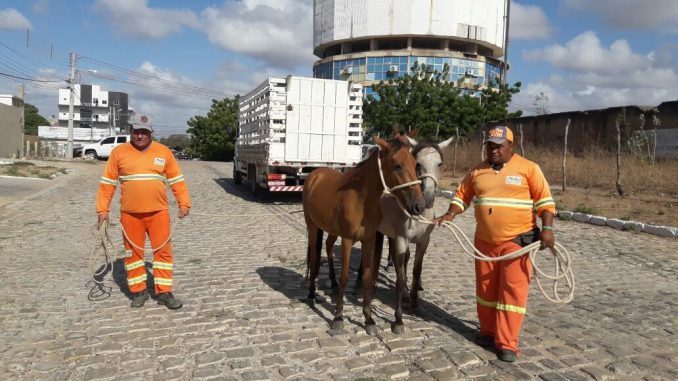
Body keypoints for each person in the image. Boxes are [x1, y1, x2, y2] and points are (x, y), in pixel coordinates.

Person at [434, 126, 556, 362]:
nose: (494, 150)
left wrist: (548, 229)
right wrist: (450, 214)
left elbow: (545, 202)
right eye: (490, 145)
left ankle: (507, 343)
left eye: (499, 145)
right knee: (487, 291)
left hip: (517, 241)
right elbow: (462, 196)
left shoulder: (529, 169)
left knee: (512, 292)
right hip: (485, 243)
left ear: (511, 146)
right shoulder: (477, 171)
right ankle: (488, 331)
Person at [96, 123, 191, 309]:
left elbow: (176, 179)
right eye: (136, 132)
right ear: (130, 132)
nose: (140, 136)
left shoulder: (163, 151)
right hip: (130, 215)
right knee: (132, 254)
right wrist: (102, 210)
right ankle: (138, 291)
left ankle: (164, 292)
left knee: (163, 253)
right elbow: (107, 183)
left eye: (144, 132)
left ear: (151, 133)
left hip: (159, 213)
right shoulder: (119, 152)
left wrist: (184, 202)